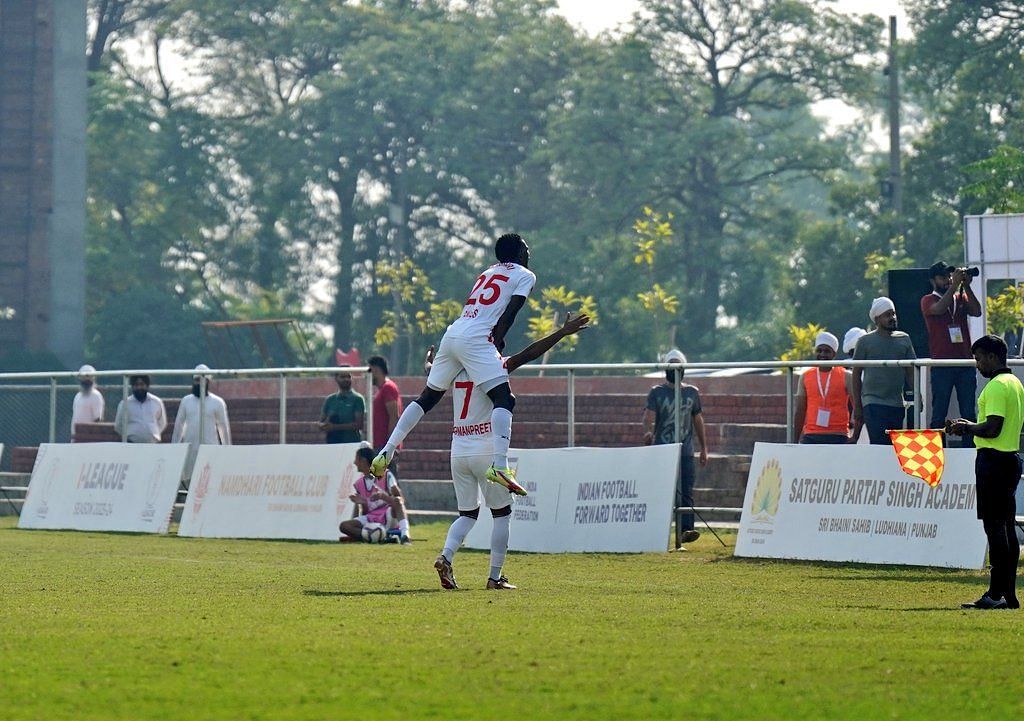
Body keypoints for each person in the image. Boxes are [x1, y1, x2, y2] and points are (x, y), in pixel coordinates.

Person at [431, 312, 591, 590]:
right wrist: (561, 332)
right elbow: (530, 353)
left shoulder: (454, 371)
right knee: (502, 514)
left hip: (458, 449)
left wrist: (430, 362)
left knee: (467, 514)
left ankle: (446, 555)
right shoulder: (496, 366)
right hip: (487, 449)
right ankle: (495, 577)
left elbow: (431, 373)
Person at [371, 233, 536, 496]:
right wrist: (497, 341)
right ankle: (501, 466)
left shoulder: (488, 271)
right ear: (518, 253)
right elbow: (510, 313)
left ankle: (386, 451)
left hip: (454, 333)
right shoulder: (526, 275)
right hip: (477, 338)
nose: (529, 253)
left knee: (427, 398)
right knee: (505, 398)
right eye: (526, 249)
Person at [947, 335, 1024, 610]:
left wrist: (967, 426)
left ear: (992, 357)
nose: (977, 364)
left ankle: (996, 594)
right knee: (1006, 528)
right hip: (1010, 459)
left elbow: (992, 428)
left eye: (979, 358)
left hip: (993, 461)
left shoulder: (995, 387)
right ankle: (1008, 594)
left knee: (995, 529)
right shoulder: (1014, 383)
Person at [643, 348, 709, 550]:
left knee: (687, 491)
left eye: (677, 364)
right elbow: (649, 415)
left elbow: (698, 419)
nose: (674, 368)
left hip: (686, 450)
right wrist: (648, 432)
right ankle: (656, 531)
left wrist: (704, 447)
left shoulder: (692, 392)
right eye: (670, 364)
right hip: (664, 448)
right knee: (663, 491)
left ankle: (686, 530)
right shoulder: (657, 392)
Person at [921, 262, 981, 445]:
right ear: (933, 280)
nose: (947, 280)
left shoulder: (959, 297)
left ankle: (968, 452)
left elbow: (977, 311)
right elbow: (938, 309)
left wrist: (967, 286)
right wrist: (955, 285)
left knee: (969, 414)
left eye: (949, 276)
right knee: (939, 413)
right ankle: (938, 453)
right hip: (942, 364)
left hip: (964, 363)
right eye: (943, 277)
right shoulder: (928, 299)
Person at [851, 297, 916, 445]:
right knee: (879, 445)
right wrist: (858, 407)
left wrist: (917, 395)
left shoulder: (904, 339)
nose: (892, 318)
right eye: (887, 315)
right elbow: (856, 375)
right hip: (873, 402)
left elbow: (911, 372)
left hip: (897, 403)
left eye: (893, 313)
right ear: (877, 318)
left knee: (894, 447)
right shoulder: (864, 341)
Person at [171, 365, 232, 483]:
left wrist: (227, 450)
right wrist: (175, 448)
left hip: (210, 449)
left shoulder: (217, 402)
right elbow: (179, 426)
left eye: (202, 380)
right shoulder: (186, 401)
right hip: (191, 449)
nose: (198, 383)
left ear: (208, 381)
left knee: (209, 480)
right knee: (189, 480)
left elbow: (224, 428)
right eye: (196, 380)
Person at [340, 446, 411, 544]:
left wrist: (383, 496)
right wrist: (363, 503)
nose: (354, 463)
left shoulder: (386, 475)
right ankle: (378, 537)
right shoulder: (359, 484)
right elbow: (365, 514)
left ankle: (405, 535)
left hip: (388, 515)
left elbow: (400, 501)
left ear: (364, 461)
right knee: (344, 526)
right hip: (371, 518)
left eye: (356, 459)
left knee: (397, 500)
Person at [793, 332, 856, 444]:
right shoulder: (805, 376)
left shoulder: (846, 375)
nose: (822, 354)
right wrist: (794, 441)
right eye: (819, 350)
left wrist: (855, 437)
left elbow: (858, 408)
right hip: (811, 435)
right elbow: (800, 410)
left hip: (839, 435)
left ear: (834, 354)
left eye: (827, 351)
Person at [368, 356, 402, 461]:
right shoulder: (382, 389)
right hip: (380, 445)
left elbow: (394, 416)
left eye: (370, 370)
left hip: (384, 446)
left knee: (387, 476)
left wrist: (390, 445)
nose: (368, 374)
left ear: (377, 370)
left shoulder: (388, 388)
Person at [114, 375, 167, 443]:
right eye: (136, 385)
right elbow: (118, 425)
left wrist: (154, 434)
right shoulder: (125, 403)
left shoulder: (156, 402)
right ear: (132, 387)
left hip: (152, 444)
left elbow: (162, 423)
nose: (139, 387)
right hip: (131, 444)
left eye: (142, 384)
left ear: (147, 386)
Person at [319, 369, 365, 444]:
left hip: (352, 443)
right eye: (343, 377)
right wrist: (323, 426)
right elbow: (321, 422)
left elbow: (359, 425)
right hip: (333, 443)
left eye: (348, 376)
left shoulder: (357, 399)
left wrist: (334, 427)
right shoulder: (330, 400)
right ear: (336, 378)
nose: (346, 379)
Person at [70, 364, 104, 441]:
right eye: (84, 377)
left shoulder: (96, 396)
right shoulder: (78, 396)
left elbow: (97, 420)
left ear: (93, 378)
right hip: (75, 437)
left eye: (89, 377)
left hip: (89, 439)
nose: (86, 380)